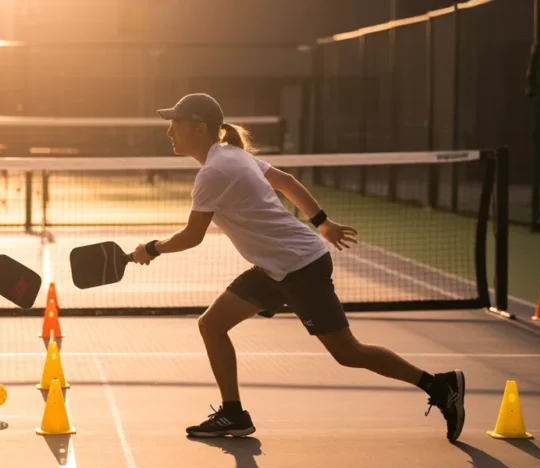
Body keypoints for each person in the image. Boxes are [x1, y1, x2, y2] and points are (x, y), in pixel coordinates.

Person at [136, 93, 465, 442]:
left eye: (176, 124)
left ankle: (440, 386)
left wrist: (152, 249)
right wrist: (321, 222)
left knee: (348, 352)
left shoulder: (215, 171)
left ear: (200, 128)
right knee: (212, 325)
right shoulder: (232, 155)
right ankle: (233, 413)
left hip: (299, 266)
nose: (170, 132)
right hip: (274, 267)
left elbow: (192, 236)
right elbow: (288, 181)